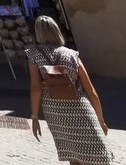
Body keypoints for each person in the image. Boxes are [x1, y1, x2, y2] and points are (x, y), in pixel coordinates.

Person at [26, 15, 113, 165]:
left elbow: (36, 88)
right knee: (99, 154)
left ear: (38, 33)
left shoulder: (33, 55)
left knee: (73, 154)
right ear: (56, 31)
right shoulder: (72, 55)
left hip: (55, 110)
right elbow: (91, 91)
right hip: (79, 107)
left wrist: (34, 117)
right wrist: (101, 120)